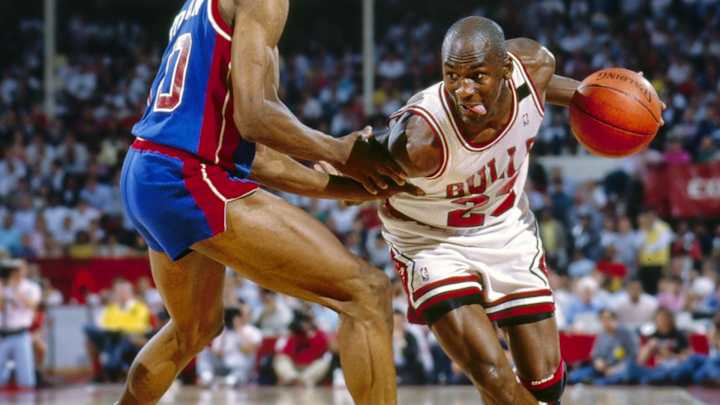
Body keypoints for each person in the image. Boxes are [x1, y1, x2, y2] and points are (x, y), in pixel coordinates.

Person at [321, 16, 654, 404]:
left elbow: (569, 93)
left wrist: (627, 104)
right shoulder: (420, 142)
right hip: (430, 241)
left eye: (477, 77)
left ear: (506, 70)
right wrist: (338, 167)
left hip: (504, 226)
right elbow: (361, 166)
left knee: (546, 383)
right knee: (492, 373)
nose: (463, 90)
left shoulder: (533, 66)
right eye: (452, 76)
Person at [118, 1, 413, 404]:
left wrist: (351, 186)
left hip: (148, 168)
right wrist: (342, 152)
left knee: (194, 328)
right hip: (186, 175)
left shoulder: (197, 9)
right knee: (368, 293)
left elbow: (257, 156)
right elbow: (255, 117)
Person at [0, 259, 42, 389]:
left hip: (21, 334)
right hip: (2, 335)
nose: (16, 273)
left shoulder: (31, 287)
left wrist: (15, 289)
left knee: (26, 379)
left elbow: (32, 305)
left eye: (18, 269)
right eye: (13, 270)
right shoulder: (3, 286)